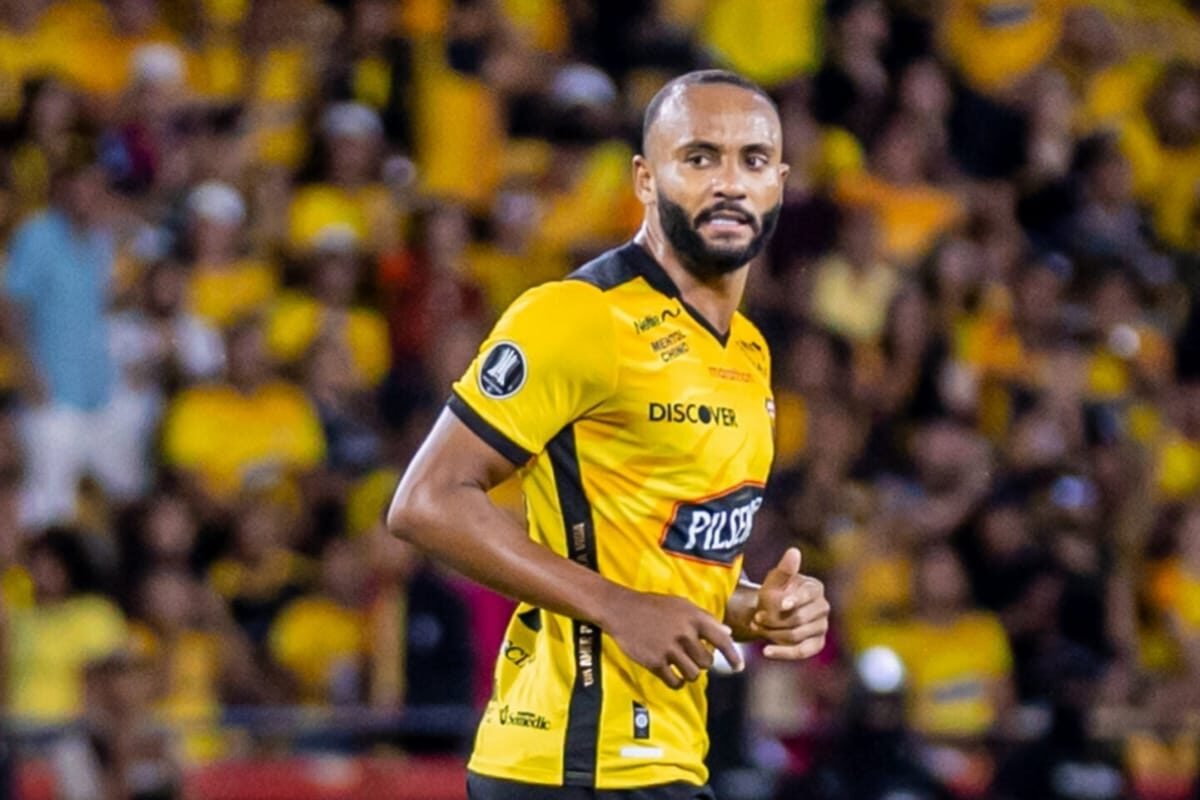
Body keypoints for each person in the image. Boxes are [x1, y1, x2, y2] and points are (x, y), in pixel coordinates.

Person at [388, 70, 831, 799]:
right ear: (645, 179)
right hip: (566, 761)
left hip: (663, 760)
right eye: (699, 157)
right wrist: (618, 609)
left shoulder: (748, 350)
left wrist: (753, 608)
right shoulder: (580, 316)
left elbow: (655, 565)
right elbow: (425, 502)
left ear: (779, 183)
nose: (729, 182)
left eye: (752, 160)